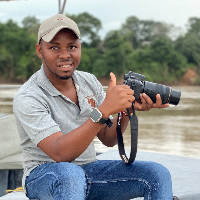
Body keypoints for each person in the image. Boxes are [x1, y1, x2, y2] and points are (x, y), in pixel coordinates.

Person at [13, 14, 174, 200]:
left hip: (89, 171)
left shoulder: (89, 81)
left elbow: (108, 138)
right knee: (69, 175)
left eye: (72, 47)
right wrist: (104, 110)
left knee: (157, 174)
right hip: (44, 176)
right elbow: (60, 153)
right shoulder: (29, 96)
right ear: (40, 50)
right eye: (54, 47)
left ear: (80, 47)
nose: (65, 55)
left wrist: (125, 109)